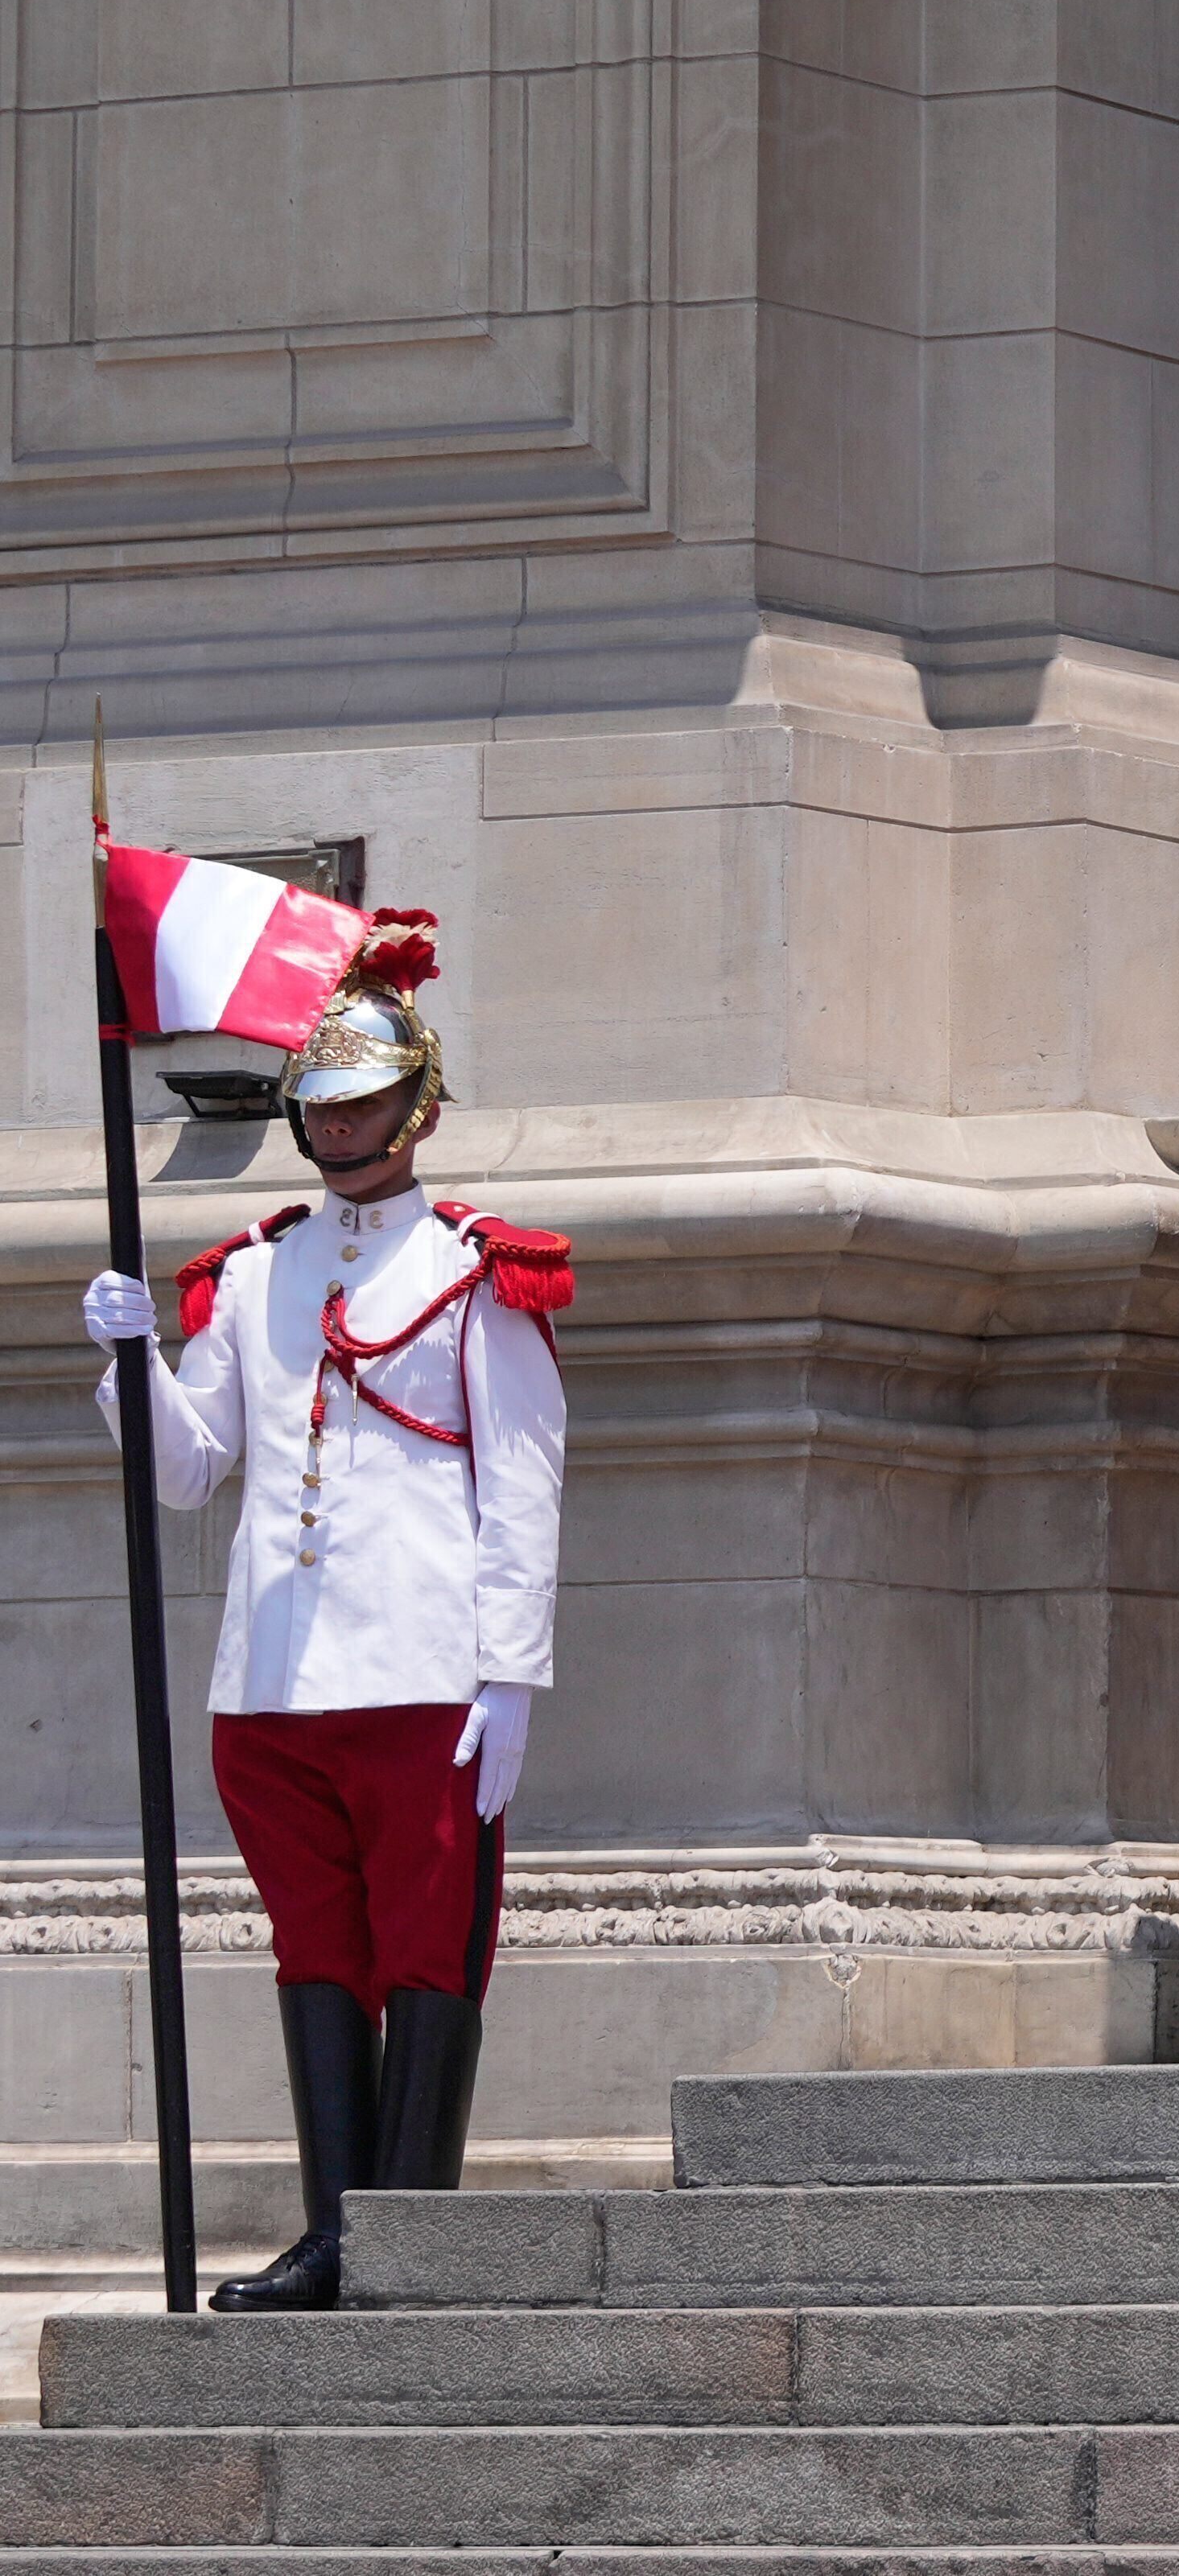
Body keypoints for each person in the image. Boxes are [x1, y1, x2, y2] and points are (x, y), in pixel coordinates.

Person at [80, 909, 572, 2309]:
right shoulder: (251, 1271)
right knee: (316, 1951)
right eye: (321, 1104)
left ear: (418, 1107)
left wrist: (511, 1677)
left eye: (363, 1101)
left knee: (425, 1952)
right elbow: (189, 1475)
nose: (340, 1127)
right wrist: (134, 1365)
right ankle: (333, 2234)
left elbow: (525, 1486)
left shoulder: (482, 1267)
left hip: (427, 1677)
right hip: (275, 1686)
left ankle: (405, 2237)